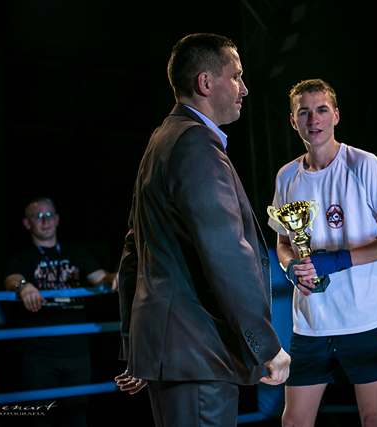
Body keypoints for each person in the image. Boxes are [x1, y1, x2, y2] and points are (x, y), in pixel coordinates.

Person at [114, 33, 290, 427]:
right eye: (237, 76)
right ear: (206, 83)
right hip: (198, 352)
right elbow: (227, 252)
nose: (245, 88)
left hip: (174, 353)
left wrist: (135, 345)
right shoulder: (195, 146)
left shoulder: (162, 140)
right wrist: (265, 344)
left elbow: (133, 252)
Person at [268, 79, 377, 427]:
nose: (313, 119)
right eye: (303, 112)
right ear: (292, 120)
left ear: (336, 115)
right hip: (310, 323)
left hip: (365, 317)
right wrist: (291, 268)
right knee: (293, 421)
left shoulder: (364, 165)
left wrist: (339, 260)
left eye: (321, 110)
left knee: (374, 418)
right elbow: (283, 242)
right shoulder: (287, 176)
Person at [4, 196, 117, 427]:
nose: (45, 221)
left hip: (77, 353)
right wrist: (23, 286)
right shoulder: (22, 257)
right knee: (39, 422)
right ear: (27, 223)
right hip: (39, 356)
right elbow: (11, 279)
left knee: (77, 419)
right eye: (38, 216)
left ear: (57, 219)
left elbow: (100, 277)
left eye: (49, 215)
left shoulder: (76, 252)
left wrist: (114, 278)